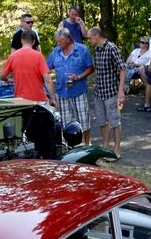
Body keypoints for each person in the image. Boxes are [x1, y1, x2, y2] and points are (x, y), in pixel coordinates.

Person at [47, 27, 94, 145]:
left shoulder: (82, 50)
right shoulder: (56, 52)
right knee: (64, 122)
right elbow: (47, 68)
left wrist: (79, 77)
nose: (58, 44)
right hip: (61, 92)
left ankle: (87, 144)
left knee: (84, 121)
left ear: (68, 39)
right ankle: (67, 146)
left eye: (60, 41)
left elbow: (91, 68)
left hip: (78, 91)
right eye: (57, 41)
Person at [88, 27, 126, 157]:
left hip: (111, 91)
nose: (88, 40)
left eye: (89, 38)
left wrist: (121, 91)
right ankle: (105, 147)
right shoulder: (96, 50)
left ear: (96, 36)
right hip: (99, 92)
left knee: (114, 122)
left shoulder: (111, 48)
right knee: (102, 121)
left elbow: (122, 68)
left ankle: (117, 149)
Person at [0, 30, 56, 104]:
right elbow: (47, 80)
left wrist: (7, 79)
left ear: (21, 41)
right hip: (38, 100)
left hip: (20, 100)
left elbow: (2, 76)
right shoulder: (39, 56)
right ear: (33, 42)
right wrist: (52, 98)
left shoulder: (13, 56)